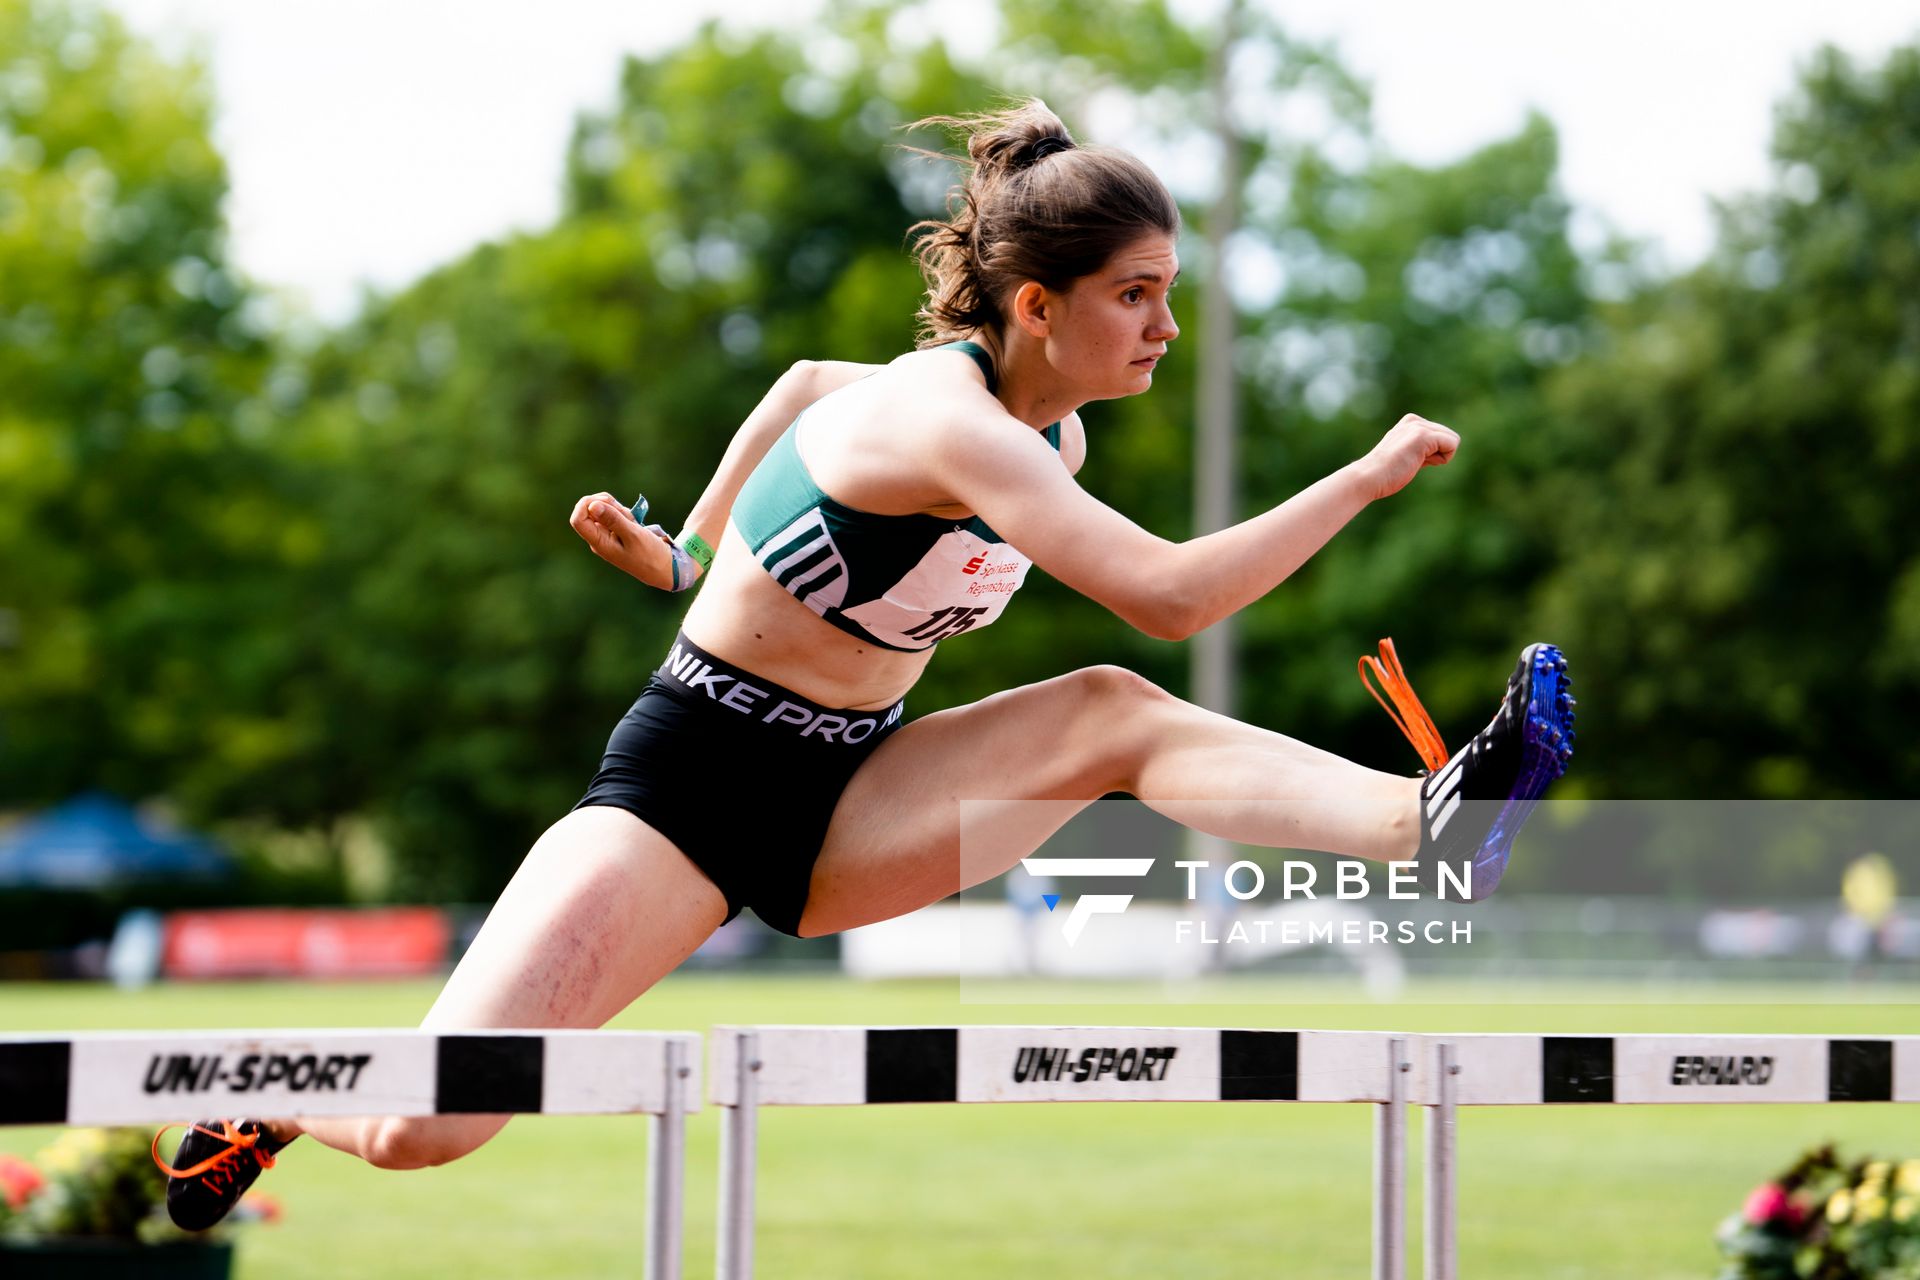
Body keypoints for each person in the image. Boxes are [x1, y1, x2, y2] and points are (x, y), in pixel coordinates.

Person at [156, 100, 1574, 1227]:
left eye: (1169, 293)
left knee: (1109, 717)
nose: (1166, 327)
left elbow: (803, 389)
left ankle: (1427, 817)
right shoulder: (953, 421)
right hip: (691, 787)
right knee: (423, 1128)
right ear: (1036, 307)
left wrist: (691, 553)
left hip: (854, 787)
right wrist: (1361, 479)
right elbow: (1166, 594)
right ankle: (280, 1082)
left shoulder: (1033, 432)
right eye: (1138, 296)